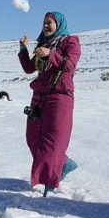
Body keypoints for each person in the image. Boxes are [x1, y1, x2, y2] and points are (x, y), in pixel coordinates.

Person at [18, 12, 80, 197]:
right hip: (39, 96)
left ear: (59, 24)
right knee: (33, 138)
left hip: (59, 96)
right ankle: (64, 163)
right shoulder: (43, 44)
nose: (45, 26)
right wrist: (23, 49)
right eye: (44, 23)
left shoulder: (71, 41)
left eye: (49, 22)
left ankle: (50, 184)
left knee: (52, 142)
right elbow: (29, 69)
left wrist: (50, 54)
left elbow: (69, 65)